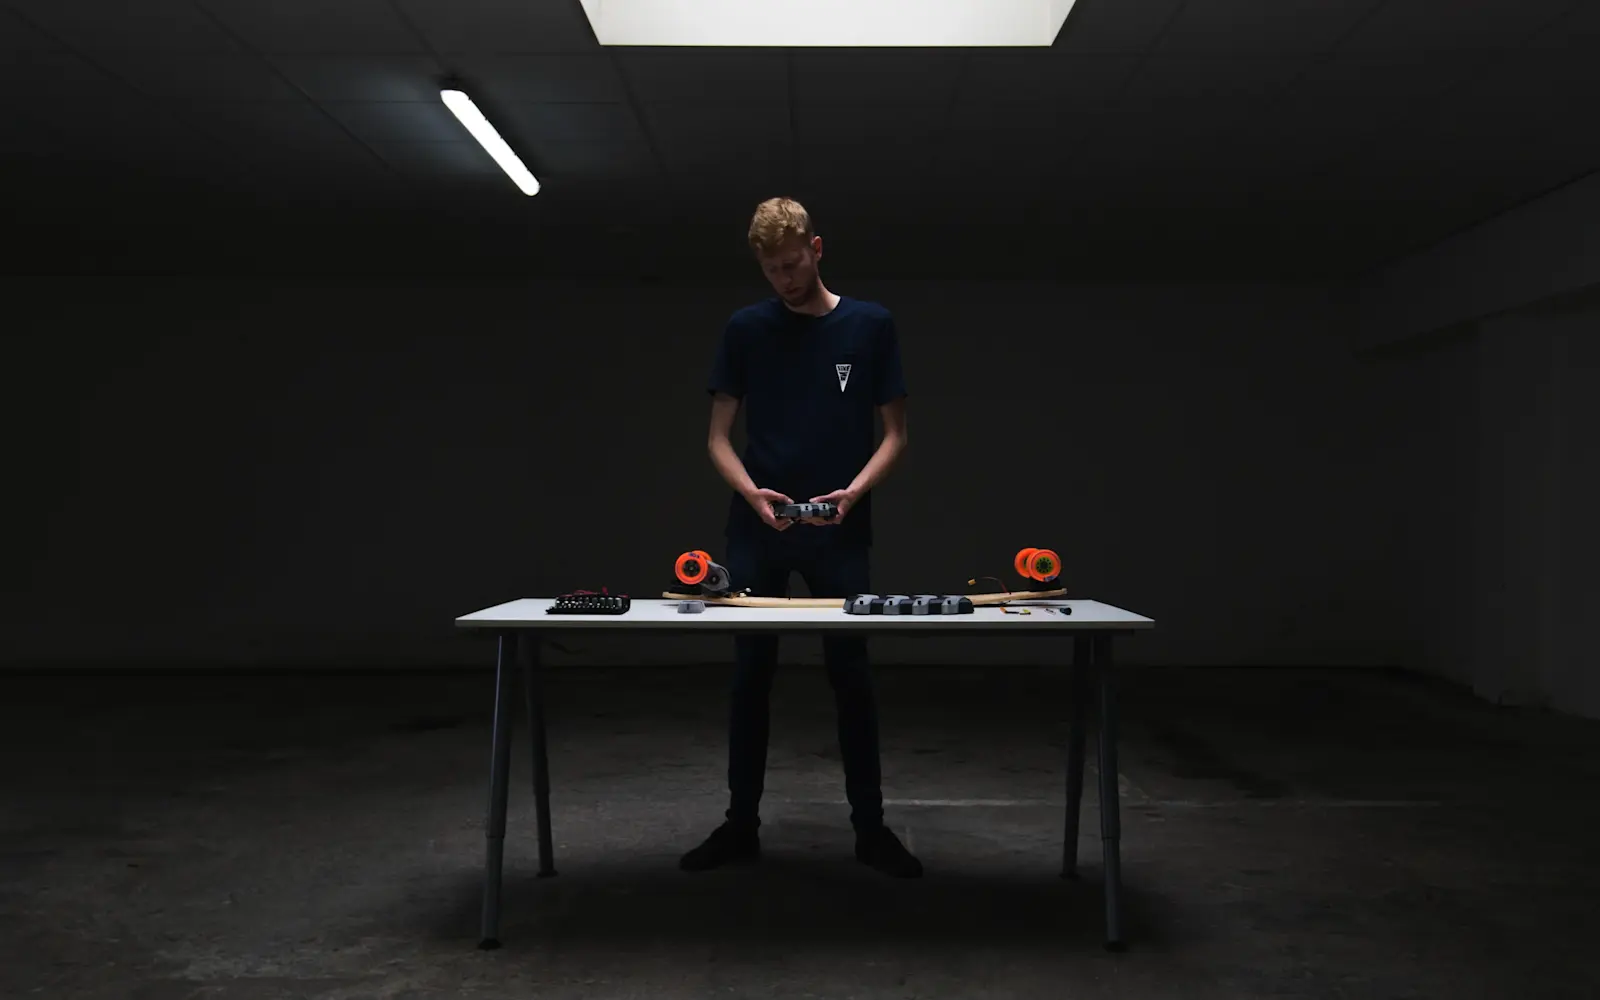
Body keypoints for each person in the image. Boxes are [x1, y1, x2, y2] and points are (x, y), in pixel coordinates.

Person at [678, 197, 922, 879]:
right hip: (758, 528)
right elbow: (716, 439)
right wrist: (753, 494)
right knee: (750, 677)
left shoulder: (870, 325)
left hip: (839, 530)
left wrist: (854, 491)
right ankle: (740, 825)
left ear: (816, 249)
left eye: (792, 264)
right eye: (771, 270)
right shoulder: (746, 329)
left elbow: (896, 435)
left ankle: (871, 829)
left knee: (852, 677)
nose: (784, 280)